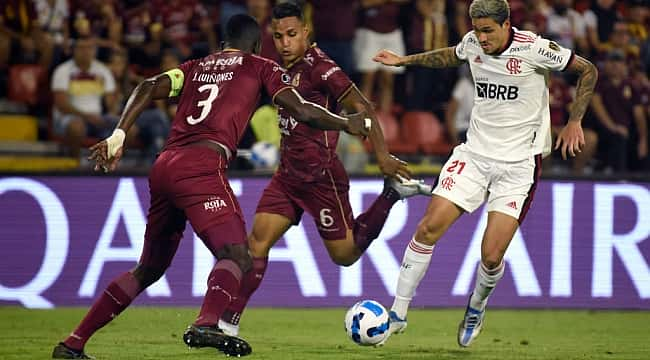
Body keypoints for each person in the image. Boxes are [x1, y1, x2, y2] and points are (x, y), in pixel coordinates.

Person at [51, 14, 370, 359]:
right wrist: (346, 122)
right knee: (238, 255)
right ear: (257, 45)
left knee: (148, 268)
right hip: (201, 166)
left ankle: (72, 344)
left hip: (164, 165)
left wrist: (119, 134)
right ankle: (206, 322)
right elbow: (304, 111)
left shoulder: (195, 66)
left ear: (222, 44)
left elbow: (146, 87)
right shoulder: (261, 66)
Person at [372, 0, 597, 347]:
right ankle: (398, 314)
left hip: (519, 165)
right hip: (474, 155)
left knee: (491, 256)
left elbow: (588, 70)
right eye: (477, 29)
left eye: (488, 30)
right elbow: (453, 53)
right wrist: (405, 60)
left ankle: (476, 306)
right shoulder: (473, 42)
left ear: (508, 24)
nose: (482, 37)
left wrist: (574, 121)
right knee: (428, 227)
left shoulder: (534, 48)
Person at [216, 2, 431, 337]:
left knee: (344, 256)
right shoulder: (275, 66)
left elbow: (362, 106)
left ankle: (390, 195)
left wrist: (383, 156)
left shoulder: (321, 68)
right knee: (255, 244)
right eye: (278, 36)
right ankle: (227, 324)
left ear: (306, 32)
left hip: (321, 178)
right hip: (287, 176)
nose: (285, 42)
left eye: (291, 35)